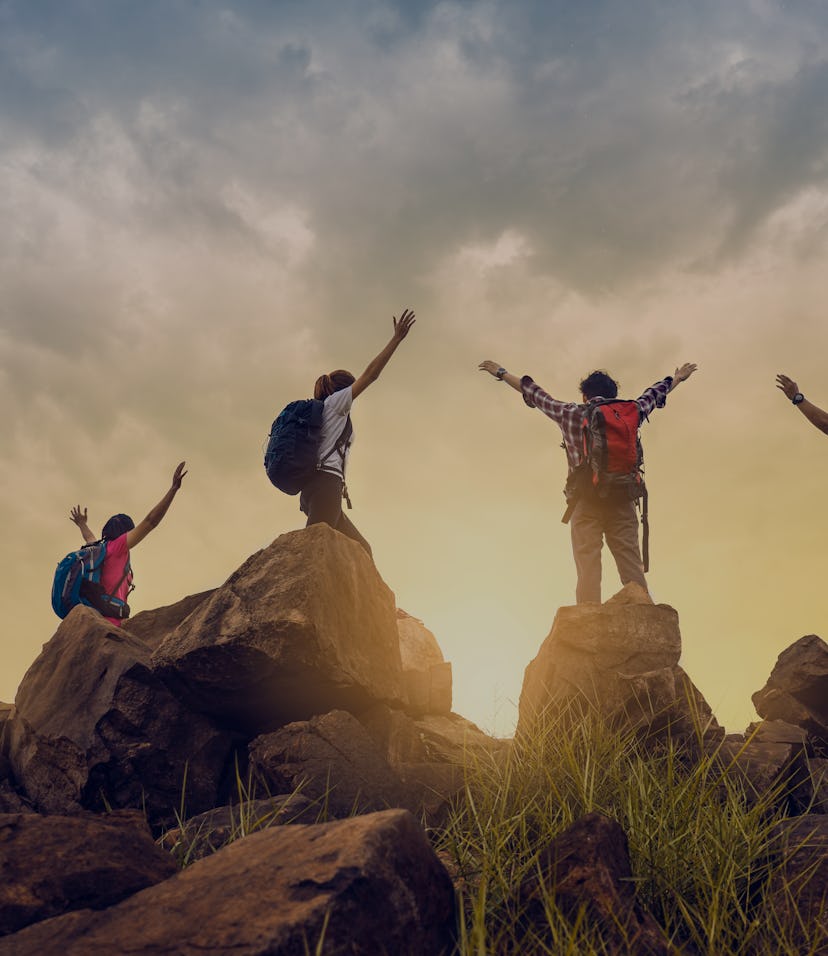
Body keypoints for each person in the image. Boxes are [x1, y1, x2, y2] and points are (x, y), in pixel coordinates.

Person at [478, 360, 697, 603]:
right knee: (631, 566)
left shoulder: (570, 413)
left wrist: (501, 373)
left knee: (588, 568)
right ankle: (644, 614)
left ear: (585, 396)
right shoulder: (631, 411)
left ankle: (586, 621)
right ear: (614, 395)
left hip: (585, 502)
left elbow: (535, 393)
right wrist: (677, 378)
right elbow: (654, 394)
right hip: (622, 500)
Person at [299, 309, 416, 556]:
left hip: (320, 489)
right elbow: (371, 375)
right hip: (325, 486)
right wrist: (396, 340)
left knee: (363, 550)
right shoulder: (337, 404)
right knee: (310, 552)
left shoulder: (325, 412)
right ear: (345, 390)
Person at [69, 462, 187, 625]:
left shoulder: (99, 549)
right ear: (127, 531)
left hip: (98, 618)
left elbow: (89, 538)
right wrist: (173, 489)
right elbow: (150, 522)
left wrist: (82, 524)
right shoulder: (119, 547)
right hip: (111, 621)